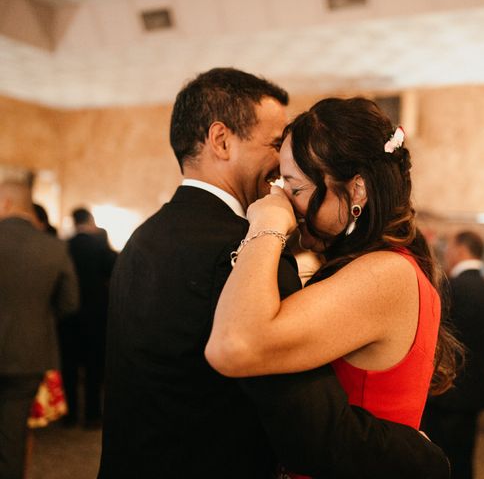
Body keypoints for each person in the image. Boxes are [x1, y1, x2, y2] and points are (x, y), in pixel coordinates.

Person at [98, 68, 450, 478]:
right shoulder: (248, 249)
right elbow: (312, 433)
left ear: (356, 191)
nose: (281, 190)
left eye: (295, 187)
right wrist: (424, 458)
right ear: (221, 140)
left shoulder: (144, 237)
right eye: (273, 145)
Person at [206, 97, 461, 476]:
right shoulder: (388, 266)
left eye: (294, 188)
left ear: (357, 191)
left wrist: (266, 224)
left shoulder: (385, 274)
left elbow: (233, 346)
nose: (286, 203)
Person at [0, 179, 79, 479]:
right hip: (28, 356)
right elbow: (70, 302)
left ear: (5, 203)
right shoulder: (54, 247)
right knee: (13, 438)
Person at [421, 230, 484, 479]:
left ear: (460, 250)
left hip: (444, 392)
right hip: (475, 389)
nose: (446, 254)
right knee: (464, 459)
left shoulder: (450, 288)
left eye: (448, 248)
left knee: (439, 460)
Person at [59, 207, 116, 427]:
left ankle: (70, 414)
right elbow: (115, 269)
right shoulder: (100, 246)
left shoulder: (65, 246)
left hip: (69, 316)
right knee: (94, 366)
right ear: (90, 220)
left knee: (69, 366)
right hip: (96, 315)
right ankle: (92, 415)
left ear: (73, 222)